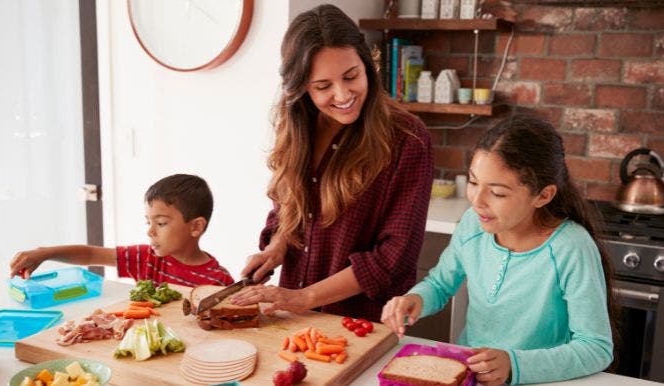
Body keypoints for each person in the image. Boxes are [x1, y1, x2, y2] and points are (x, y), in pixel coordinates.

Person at [230, 4, 433, 322]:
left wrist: (305, 297)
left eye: (351, 76)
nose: (343, 94)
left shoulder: (408, 139)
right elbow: (289, 208)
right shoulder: (297, 128)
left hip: (361, 324)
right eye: (323, 86)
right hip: (292, 319)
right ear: (301, 87)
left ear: (367, 64)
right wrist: (276, 248)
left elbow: (394, 256)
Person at [381, 116, 616, 386]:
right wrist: (416, 299)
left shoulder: (570, 247)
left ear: (543, 195)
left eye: (497, 193)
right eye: (473, 182)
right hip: (470, 376)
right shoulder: (473, 224)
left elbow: (596, 347)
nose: (477, 201)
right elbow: (440, 282)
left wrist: (515, 365)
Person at [10, 174, 235, 287]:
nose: (150, 232)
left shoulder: (218, 281)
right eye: (148, 222)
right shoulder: (146, 258)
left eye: (161, 223)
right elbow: (91, 254)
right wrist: (44, 253)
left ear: (196, 226)